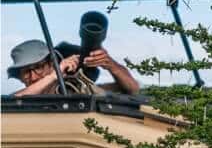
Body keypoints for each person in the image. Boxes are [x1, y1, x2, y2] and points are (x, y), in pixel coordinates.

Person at [8, 38, 140, 98]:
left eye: (38, 67)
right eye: (26, 72)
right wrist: (54, 76)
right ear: (19, 76)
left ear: (52, 64)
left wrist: (111, 65)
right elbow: (13, 100)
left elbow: (132, 89)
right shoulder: (19, 99)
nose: (33, 76)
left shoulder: (77, 89)